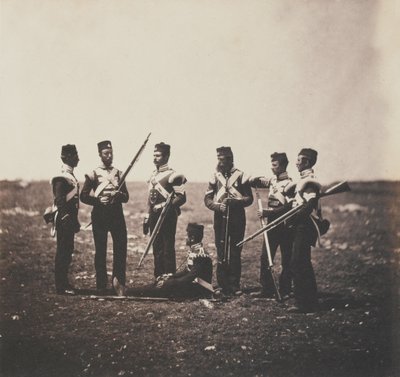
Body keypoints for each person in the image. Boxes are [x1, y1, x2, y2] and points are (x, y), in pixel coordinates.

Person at [80, 140, 129, 295]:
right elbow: (83, 196)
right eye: (106, 153)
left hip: (117, 216)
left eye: (111, 152)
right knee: (100, 251)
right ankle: (101, 285)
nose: (109, 156)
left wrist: (118, 194)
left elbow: (126, 197)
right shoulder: (93, 173)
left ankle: (119, 283)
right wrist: (97, 200)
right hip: (100, 216)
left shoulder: (119, 173)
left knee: (120, 248)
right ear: (100, 155)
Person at [204, 146, 253, 295]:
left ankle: (234, 284)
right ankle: (222, 283)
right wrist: (217, 207)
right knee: (221, 249)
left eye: (222, 158)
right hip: (219, 217)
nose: (219, 161)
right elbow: (207, 199)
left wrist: (235, 202)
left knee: (235, 250)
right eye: (218, 157)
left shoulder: (241, 176)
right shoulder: (215, 176)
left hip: (237, 217)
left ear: (230, 159)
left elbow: (249, 198)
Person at [126, 223, 213, 298]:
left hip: (199, 290)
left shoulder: (201, 255)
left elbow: (190, 277)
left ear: (192, 238)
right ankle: (128, 291)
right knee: (160, 283)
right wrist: (170, 276)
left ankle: (128, 292)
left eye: (187, 236)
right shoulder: (195, 251)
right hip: (192, 286)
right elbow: (187, 271)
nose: (186, 238)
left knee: (162, 287)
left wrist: (170, 283)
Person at [250, 152, 293, 299]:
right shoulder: (273, 181)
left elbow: (290, 207)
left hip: (285, 225)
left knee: (286, 258)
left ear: (282, 166)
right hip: (271, 226)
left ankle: (285, 289)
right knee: (265, 256)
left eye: (274, 165)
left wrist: (269, 212)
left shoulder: (290, 184)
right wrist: (254, 180)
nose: (272, 168)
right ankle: (267, 289)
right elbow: (258, 181)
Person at [143, 142, 187, 279]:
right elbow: (150, 199)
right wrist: (146, 216)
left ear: (166, 156)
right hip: (153, 215)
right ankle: (158, 277)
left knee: (168, 247)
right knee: (157, 248)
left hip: (168, 215)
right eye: (154, 155)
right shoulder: (152, 176)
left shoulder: (173, 175)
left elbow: (181, 198)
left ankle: (169, 278)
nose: (155, 158)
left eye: (158, 155)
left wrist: (165, 207)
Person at [286, 148, 321, 313]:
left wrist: (294, 218)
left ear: (306, 162)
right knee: (302, 262)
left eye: (299, 160)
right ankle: (310, 301)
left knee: (298, 262)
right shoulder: (304, 180)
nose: (296, 163)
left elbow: (309, 205)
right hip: (301, 225)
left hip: (305, 226)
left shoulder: (309, 181)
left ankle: (304, 303)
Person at [51, 144, 80, 295]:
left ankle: (64, 283)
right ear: (66, 157)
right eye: (74, 155)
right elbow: (60, 200)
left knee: (67, 250)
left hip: (68, 220)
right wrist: (66, 218)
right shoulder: (61, 177)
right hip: (63, 220)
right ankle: (61, 285)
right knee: (63, 251)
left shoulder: (70, 176)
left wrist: (75, 221)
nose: (78, 158)